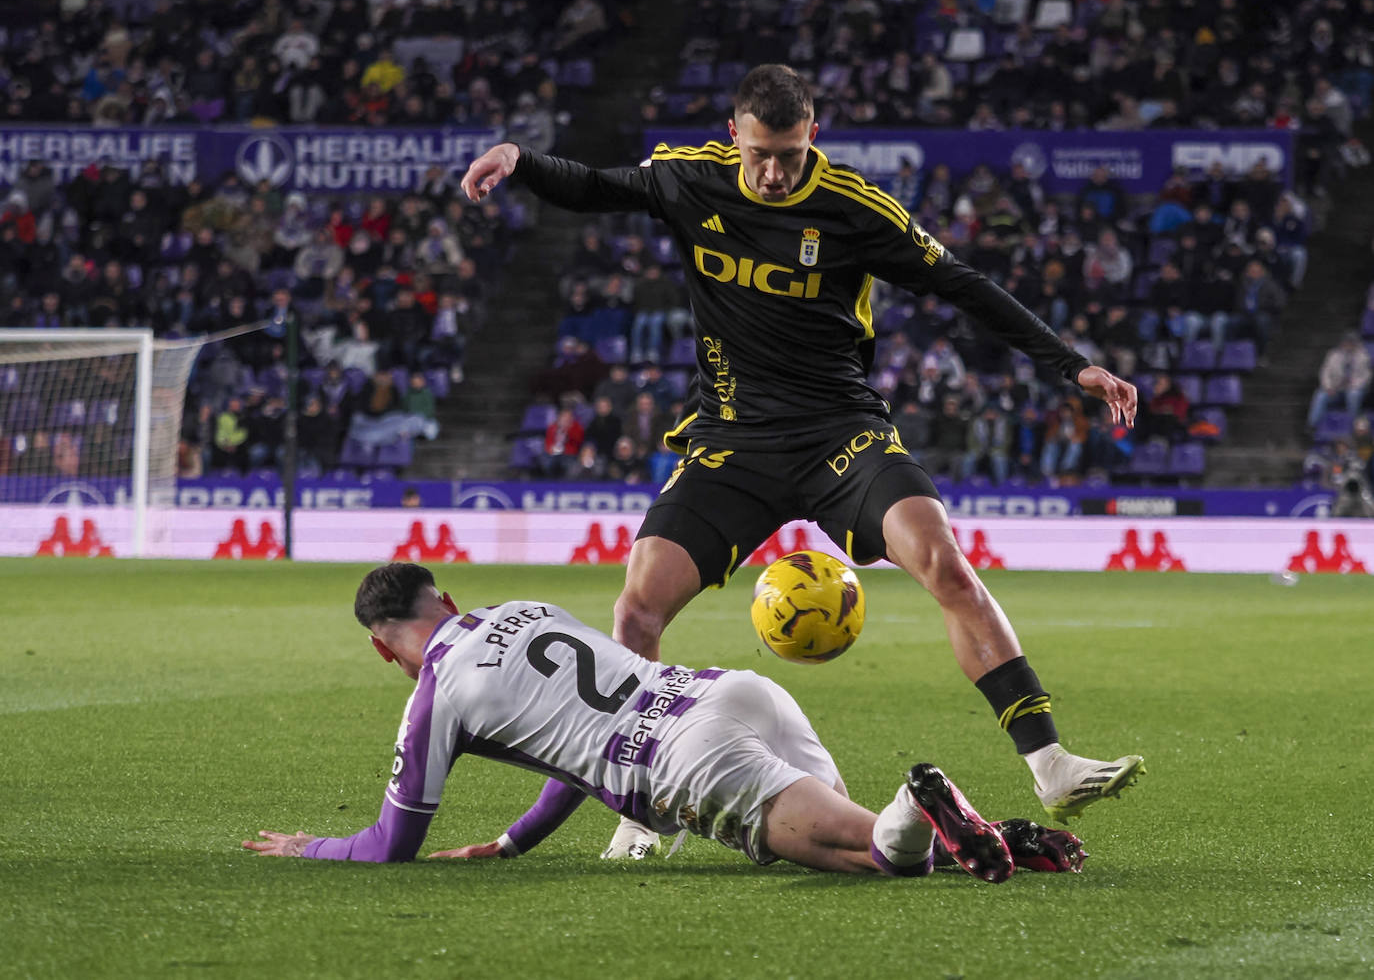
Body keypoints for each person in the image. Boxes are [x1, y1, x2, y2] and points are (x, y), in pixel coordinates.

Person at [461, 63, 1143, 859]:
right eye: (759, 155)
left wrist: (1072, 365)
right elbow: (593, 185)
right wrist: (520, 157)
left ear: (812, 135)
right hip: (731, 437)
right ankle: (643, 811)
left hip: (839, 433)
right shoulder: (691, 180)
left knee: (945, 563)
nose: (774, 172)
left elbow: (962, 284)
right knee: (636, 611)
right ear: (734, 137)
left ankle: (1051, 763)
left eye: (788, 153)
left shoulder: (854, 207)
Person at [242, 563, 1086, 880]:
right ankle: (1001, 836)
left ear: (387, 651)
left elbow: (392, 843)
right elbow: (567, 743)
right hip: (726, 691)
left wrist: (310, 845)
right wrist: (514, 841)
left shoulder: (435, 695)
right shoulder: (525, 608)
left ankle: (924, 799)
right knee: (850, 838)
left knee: (871, 858)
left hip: (682, 759)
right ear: (451, 600)